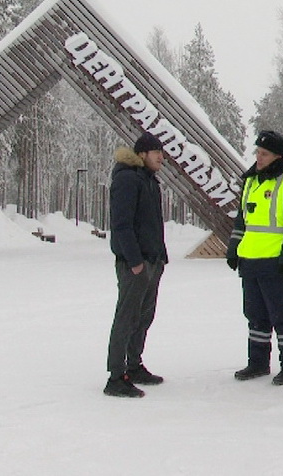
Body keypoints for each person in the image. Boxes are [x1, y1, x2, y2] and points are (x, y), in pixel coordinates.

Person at [226, 130, 283, 386]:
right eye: (257, 153)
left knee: (282, 315)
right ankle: (258, 363)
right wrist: (234, 246)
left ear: (277, 156)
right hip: (250, 259)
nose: (258, 158)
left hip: (275, 261)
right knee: (255, 315)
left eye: (264, 154)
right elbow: (243, 219)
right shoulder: (251, 181)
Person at [104, 132, 169, 398]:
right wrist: (134, 261)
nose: (161, 158)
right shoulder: (128, 179)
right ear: (142, 154)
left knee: (143, 316)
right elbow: (122, 224)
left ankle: (134, 365)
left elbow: (152, 224)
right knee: (127, 317)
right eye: (157, 153)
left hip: (151, 260)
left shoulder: (149, 181)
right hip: (136, 263)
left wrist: (160, 257)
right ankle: (116, 376)